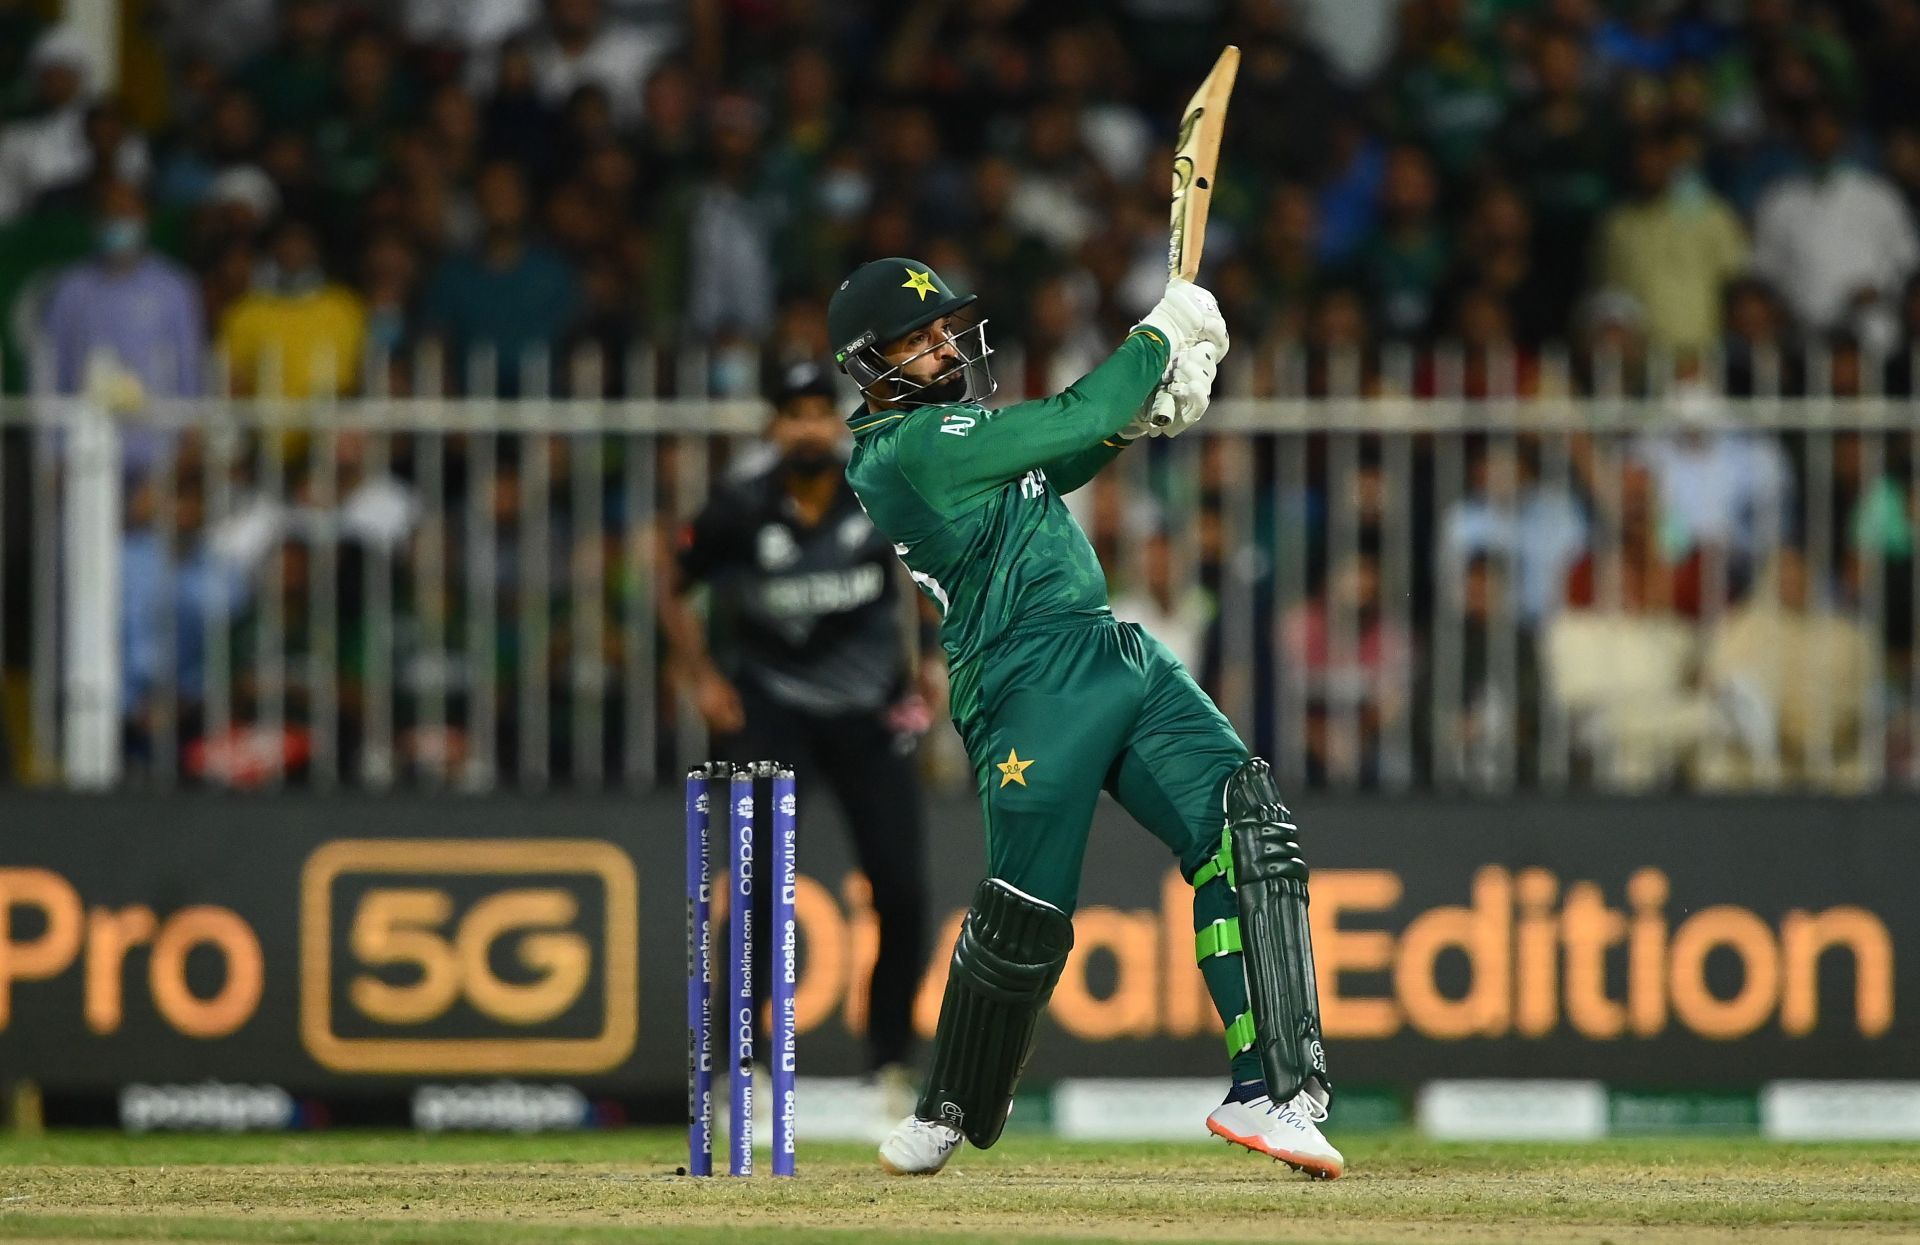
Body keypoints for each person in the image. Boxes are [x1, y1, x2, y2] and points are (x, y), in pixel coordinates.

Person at [830, 257, 1342, 1179]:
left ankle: (1273, 1091)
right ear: (871, 365)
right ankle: (951, 1103)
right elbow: (1074, 417)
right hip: (1024, 683)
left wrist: (1139, 421)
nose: (946, 346)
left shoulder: (960, 438)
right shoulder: (904, 449)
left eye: (946, 329)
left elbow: (1067, 450)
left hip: (1109, 649)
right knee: (1026, 916)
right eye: (920, 339)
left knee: (1246, 825)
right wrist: (1157, 336)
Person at [659, 361, 939, 1105]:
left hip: (870, 715)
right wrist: (704, 679)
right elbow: (672, 583)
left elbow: (933, 572)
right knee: (756, 888)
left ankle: (889, 1062)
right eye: (795, 413)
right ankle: (735, 1065)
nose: (809, 426)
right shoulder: (738, 507)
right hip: (771, 711)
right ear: (773, 427)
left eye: (821, 411)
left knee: (902, 890)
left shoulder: (875, 491)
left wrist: (935, 664)